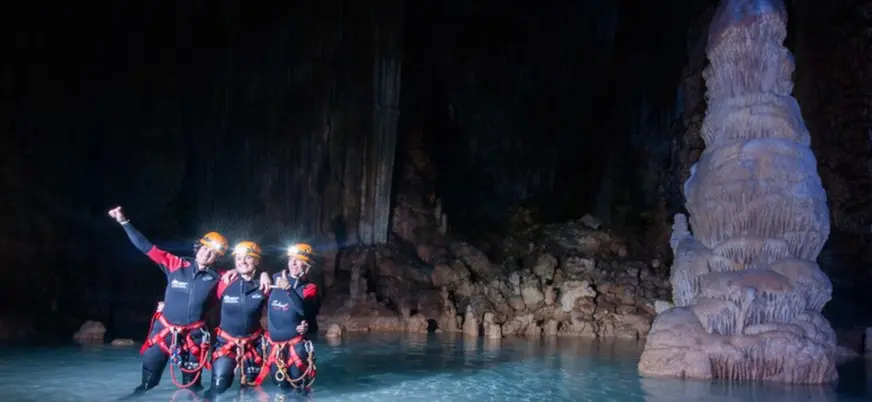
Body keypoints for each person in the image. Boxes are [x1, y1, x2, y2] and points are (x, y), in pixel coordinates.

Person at [108, 206, 271, 398]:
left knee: (191, 388)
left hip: (193, 337)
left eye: (213, 253)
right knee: (148, 384)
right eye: (205, 249)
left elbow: (246, 276)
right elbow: (146, 247)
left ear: (218, 258)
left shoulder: (220, 278)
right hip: (164, 332)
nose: (207, 254)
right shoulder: (176, 264)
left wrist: (264, 274)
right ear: (198, 248)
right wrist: (123, 221)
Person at [203, 241, 308, 399]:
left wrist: (302, 325)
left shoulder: (265, 285)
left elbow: (283, 308)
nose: (242, 261)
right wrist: (167, 306)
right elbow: (199, 297)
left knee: (250, 390)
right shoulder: (225, 280)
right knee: (219, 386)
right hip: (226, 343)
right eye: (238, 258)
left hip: (254, 346)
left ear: (257, 261)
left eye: (248, 258)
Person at [253, 243, 319, 395]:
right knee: (280, 387)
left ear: (307, 265)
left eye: (299, 260)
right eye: (291, 259)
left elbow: (302, 310)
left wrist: (288, 289)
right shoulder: (275, 278)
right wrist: (262, 273)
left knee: (297, 387)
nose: (294, 263)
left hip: (295, 346)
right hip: (274, 346)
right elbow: (249, 275)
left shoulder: (308, 288)